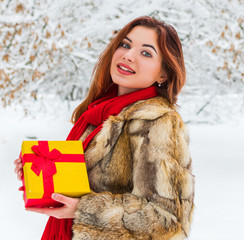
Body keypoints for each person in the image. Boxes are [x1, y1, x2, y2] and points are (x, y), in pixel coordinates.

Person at [13, 16, 194, 240]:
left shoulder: (157, 122)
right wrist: (40, 172)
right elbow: (82, 184)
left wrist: (86, 211)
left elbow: (167, 220)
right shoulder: (98, 113)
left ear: (163, 74)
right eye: (125, 45)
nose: (128, 55)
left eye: (146, 53)